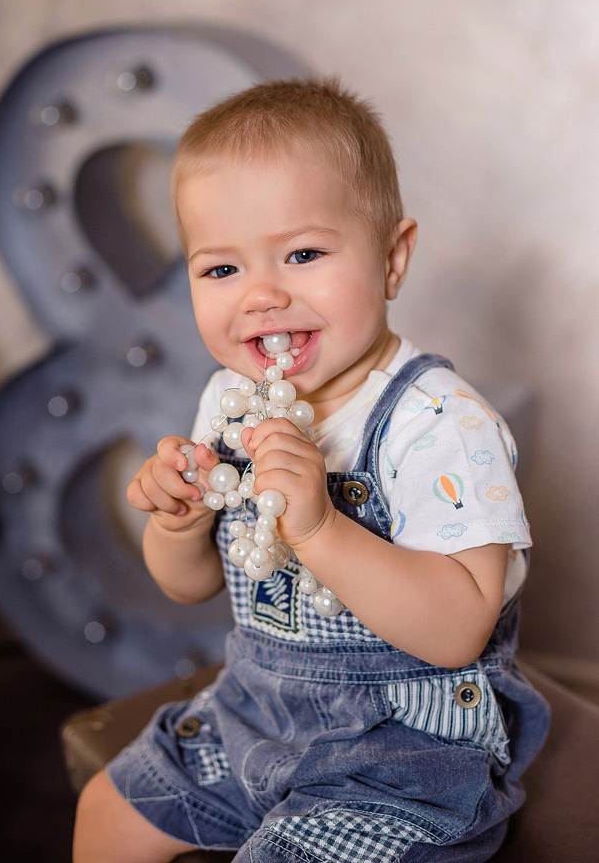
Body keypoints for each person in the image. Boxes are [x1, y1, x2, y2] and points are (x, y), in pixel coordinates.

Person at [73, 78, 549, 863]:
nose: (261, 296)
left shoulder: (437, 424)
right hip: (254, 714)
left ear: (391, 259)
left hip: (400, 749)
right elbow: (189, 586)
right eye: (219, 270)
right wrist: (178, 523)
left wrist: (322, 526)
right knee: (110, 807)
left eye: (302, 255)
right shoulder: (229, 399)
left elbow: (458, 630)